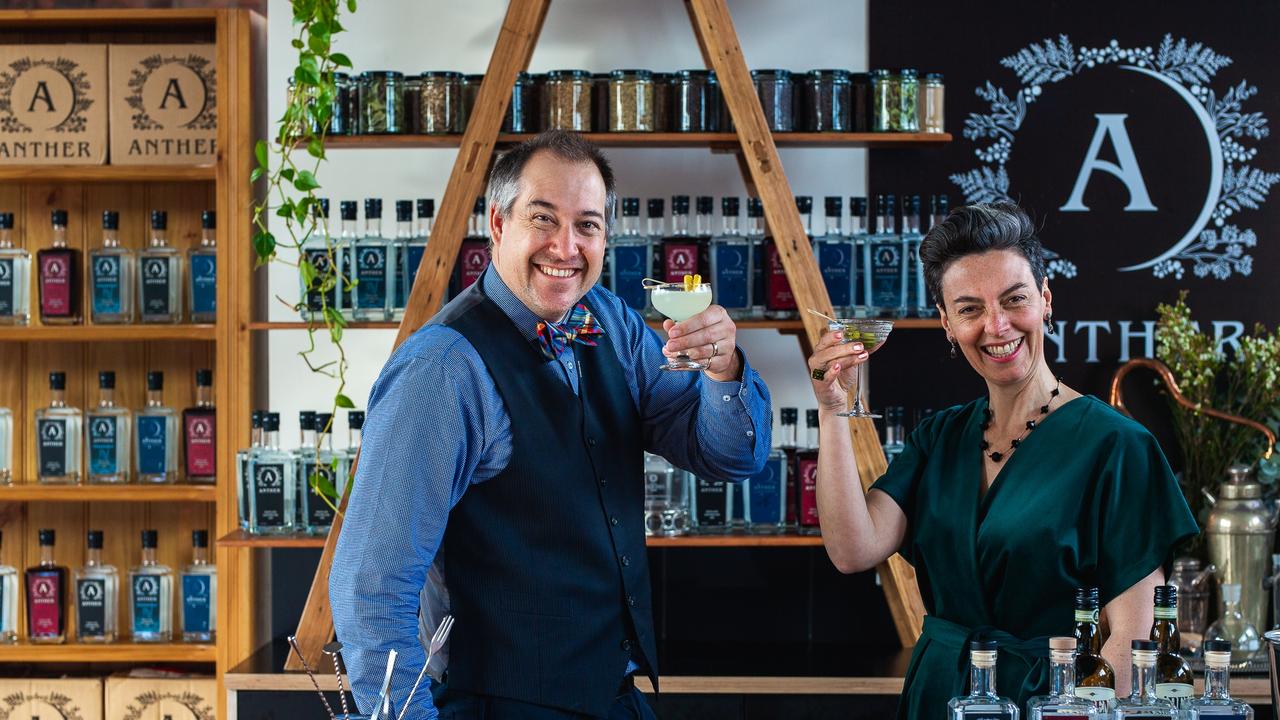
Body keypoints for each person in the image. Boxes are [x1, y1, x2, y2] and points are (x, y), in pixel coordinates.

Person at [330, 130, 772, 720]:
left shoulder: (609, 322)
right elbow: (371, 589)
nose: (566, 246)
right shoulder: (442, 367)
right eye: (544, 219)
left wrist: (723, 371)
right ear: (497, 224)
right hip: (497, 705)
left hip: (613, 698)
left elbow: (729, 456)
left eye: (588, 225)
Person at [806, 202, 1197, 718]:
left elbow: (1132, 636)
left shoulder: (1118, 446)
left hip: (1051, 701)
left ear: (1045, 299)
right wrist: (834, 413)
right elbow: (852, 550)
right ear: (946, 323)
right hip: (937, 695)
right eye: (969, 309)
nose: (997, 325)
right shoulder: (938, 437)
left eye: (1014, 300)